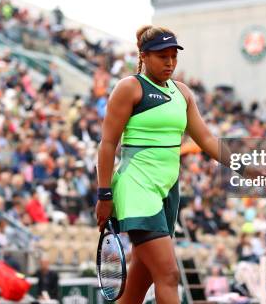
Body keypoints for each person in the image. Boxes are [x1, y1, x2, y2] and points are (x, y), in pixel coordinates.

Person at [95, 25, 234, 304]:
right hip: (137, 189)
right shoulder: (129, 88)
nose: (170, 62)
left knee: (137, 285)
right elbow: (108, 144)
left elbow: (206, 138)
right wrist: (104, 194)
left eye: (174, 56)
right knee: (169, 275)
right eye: (162, 56)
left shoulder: (182, 92)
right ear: (144, 56)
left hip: (167, 192)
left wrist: (243, 163)